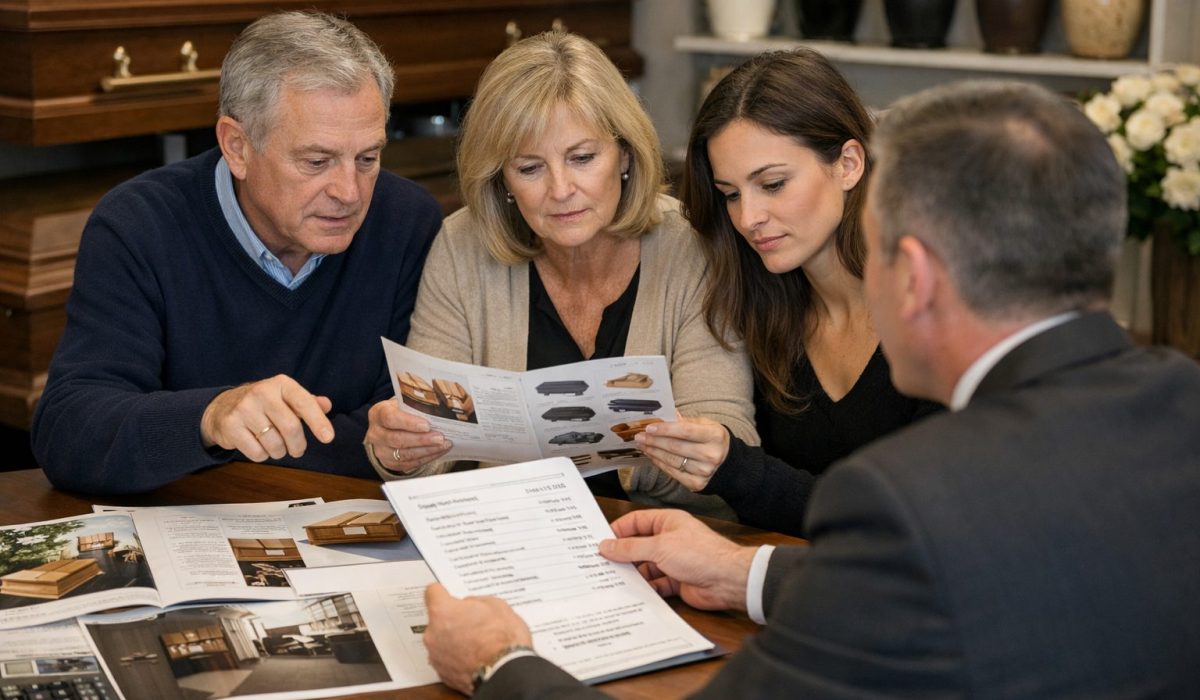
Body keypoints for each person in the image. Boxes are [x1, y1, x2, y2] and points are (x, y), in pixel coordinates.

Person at [421, 80, 1200, 696]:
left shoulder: (903, 498)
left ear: (916, 276)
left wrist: (498, 664)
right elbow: (972, 574)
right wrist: (746, 573)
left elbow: (918, 560)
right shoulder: (1180, 403)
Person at [31, 11, 441, 494]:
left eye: (368, 159)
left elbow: (395, 433)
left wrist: (189, 443)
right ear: (237, 146)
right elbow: (69, 432)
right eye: (316, 161)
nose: (350, 192)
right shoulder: (138, 225)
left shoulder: (407, 221)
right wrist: (210, 417)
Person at [363, 31, 756, 518]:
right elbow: (425, 454)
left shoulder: (692, 246)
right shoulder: (462, 246)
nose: (561, 189)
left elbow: (730, 448)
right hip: (511, 531)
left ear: (626, 155)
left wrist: (667, 449)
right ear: (502, 179)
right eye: (530, 168)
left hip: (667, 537)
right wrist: (397, 450)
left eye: (583, 158)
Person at [634, 49, 938, 536]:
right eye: (731, 194)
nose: (748, 217)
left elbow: (912, 524)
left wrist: (737, 469)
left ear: (849, 163)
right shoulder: (759, 304)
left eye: (772, 184)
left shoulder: (941, 311)